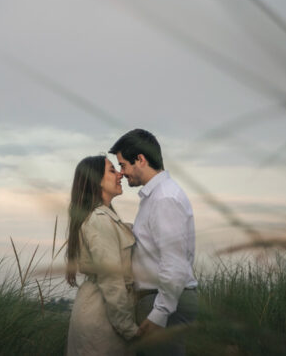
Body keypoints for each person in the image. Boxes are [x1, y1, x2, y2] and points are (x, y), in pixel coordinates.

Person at [110, 129, 197, 356]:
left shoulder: (165, 197)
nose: (122, 172)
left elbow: (174, 261)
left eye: (123, 165)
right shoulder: (156, 197)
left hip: (165, 300)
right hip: (161, 299)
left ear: (140, 159)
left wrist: (160, 312)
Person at [65, 155, 139, 356]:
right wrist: (130, 329)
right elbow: (111, 279)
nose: (120, 175)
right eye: (112, 171)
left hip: (100, 313)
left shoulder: (104, 218)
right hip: (102, 319)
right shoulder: (99, 220)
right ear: (97, 179)